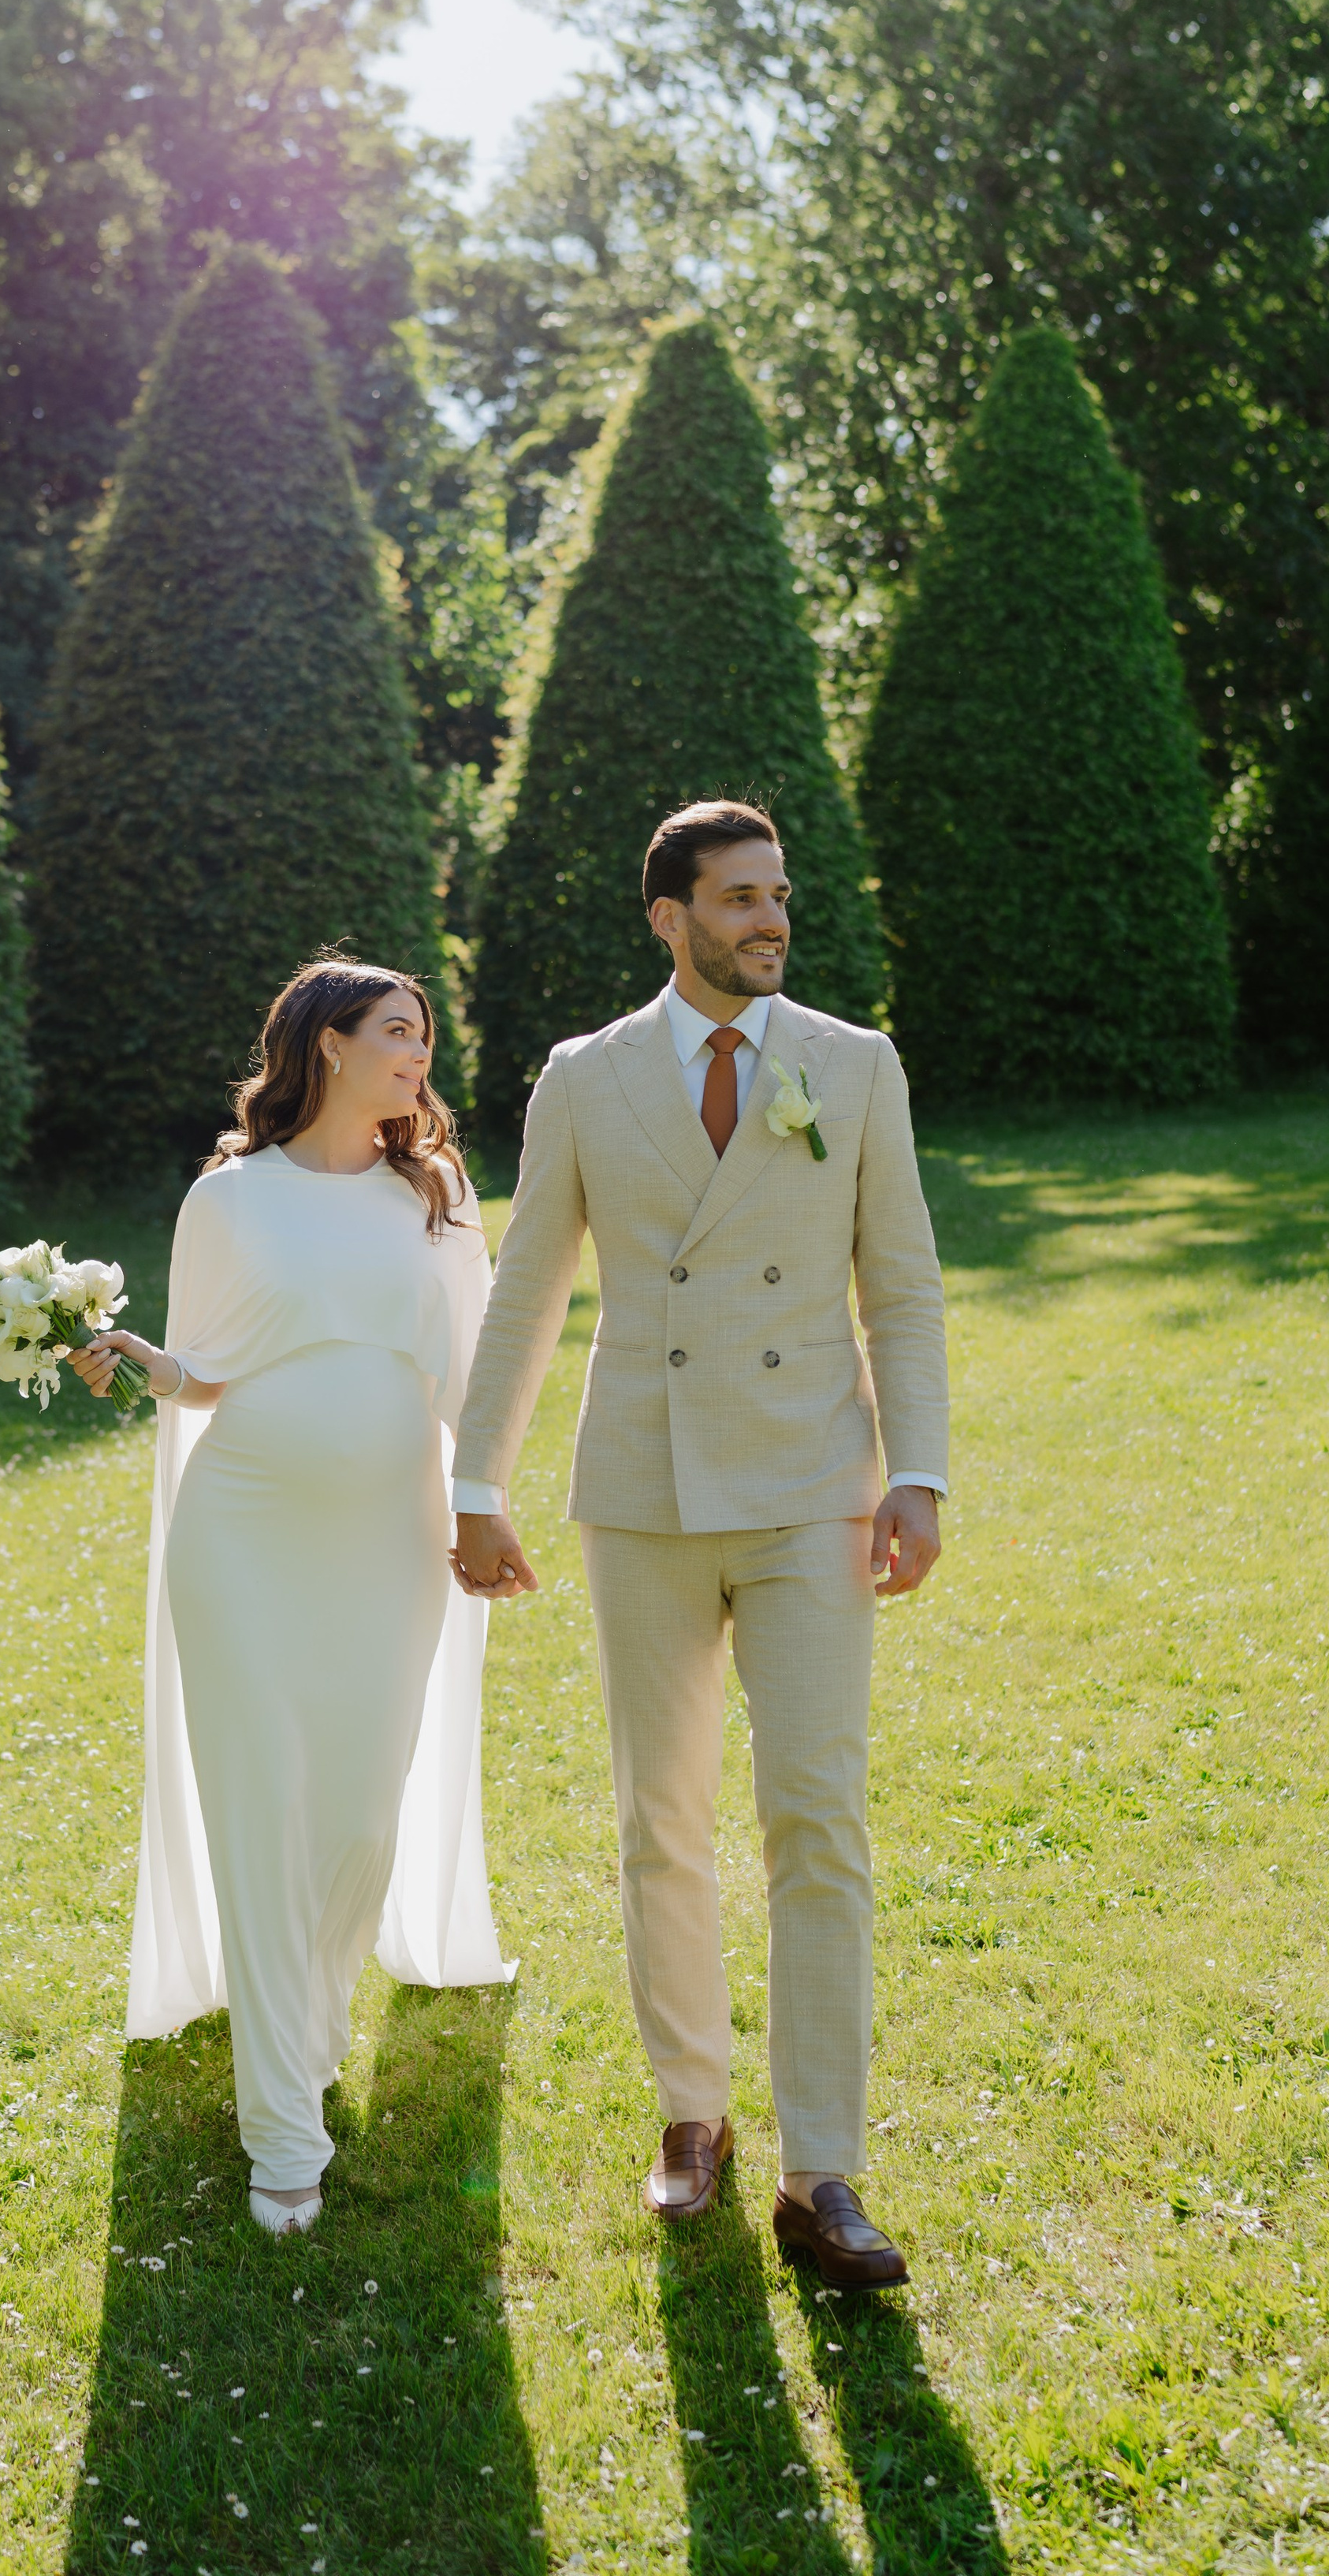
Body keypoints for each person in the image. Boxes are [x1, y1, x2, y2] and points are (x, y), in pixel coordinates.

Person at [450, 801, 949, 2289]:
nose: (770, 921)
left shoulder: (852, 1066)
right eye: (739, 899)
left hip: (815, 1489)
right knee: (658, 1819)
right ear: (668, 914)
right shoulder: (584, 1080)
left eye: (779, 897)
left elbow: (904, 1287)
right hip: (647, 1495)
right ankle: (691, 2114)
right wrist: (478, 1480)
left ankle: (822, 2169)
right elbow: (528, 1285)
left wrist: (915, 1472)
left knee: (819, 1817)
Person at [73, 960, 513, 2235]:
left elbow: (473, 1378)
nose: (418, 1057)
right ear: (326, 1046)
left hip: (390, 1538)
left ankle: (309, 2031)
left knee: (358, 1821)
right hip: (244, 1538)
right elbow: (205, 1367)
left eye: (423, 1037)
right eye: (396, 1033)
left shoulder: (432, 1196)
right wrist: (146, 1361)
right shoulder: (229, 1199)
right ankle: (280, 2128)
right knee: (262, 1813)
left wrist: (488, 1505)